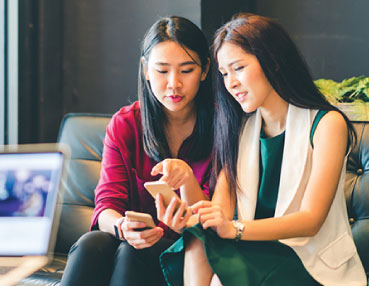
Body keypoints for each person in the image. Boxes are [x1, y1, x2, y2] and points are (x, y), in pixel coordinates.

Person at [159, 13, 367, 286]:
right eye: (224, 73)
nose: (230, 82)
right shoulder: (240, 128)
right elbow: (219, 211)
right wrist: (188, 217)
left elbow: (311, 220)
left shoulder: (327, 124)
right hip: (253, 251)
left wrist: (234, 228)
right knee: (198, 240)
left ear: (273, 62)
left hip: (308, 260)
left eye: (238, 68)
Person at [61, 16, 213, 286]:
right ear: (145, 69)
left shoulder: (222, 127)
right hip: (128, 247)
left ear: (204, 70)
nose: (173, 84)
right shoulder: (127, 124)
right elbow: (106, 206)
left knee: (133, 252)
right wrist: (123, 227)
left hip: (192, 254)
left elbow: (213, 217)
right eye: (162, 70)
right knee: (92, 244)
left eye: (186, 70)